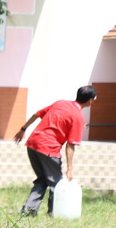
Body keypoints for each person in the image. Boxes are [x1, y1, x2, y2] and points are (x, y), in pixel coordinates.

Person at [13, 84, 97, 215]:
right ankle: (55, 213)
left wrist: (23, 129)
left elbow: (37, 114)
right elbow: (70, 145)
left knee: (42, 179)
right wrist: (70, 169)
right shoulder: (78, 118)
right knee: (56, 184)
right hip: (48, 148)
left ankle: (29, 211)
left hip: (33, 143)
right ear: (90, 100)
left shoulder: (61, 103)